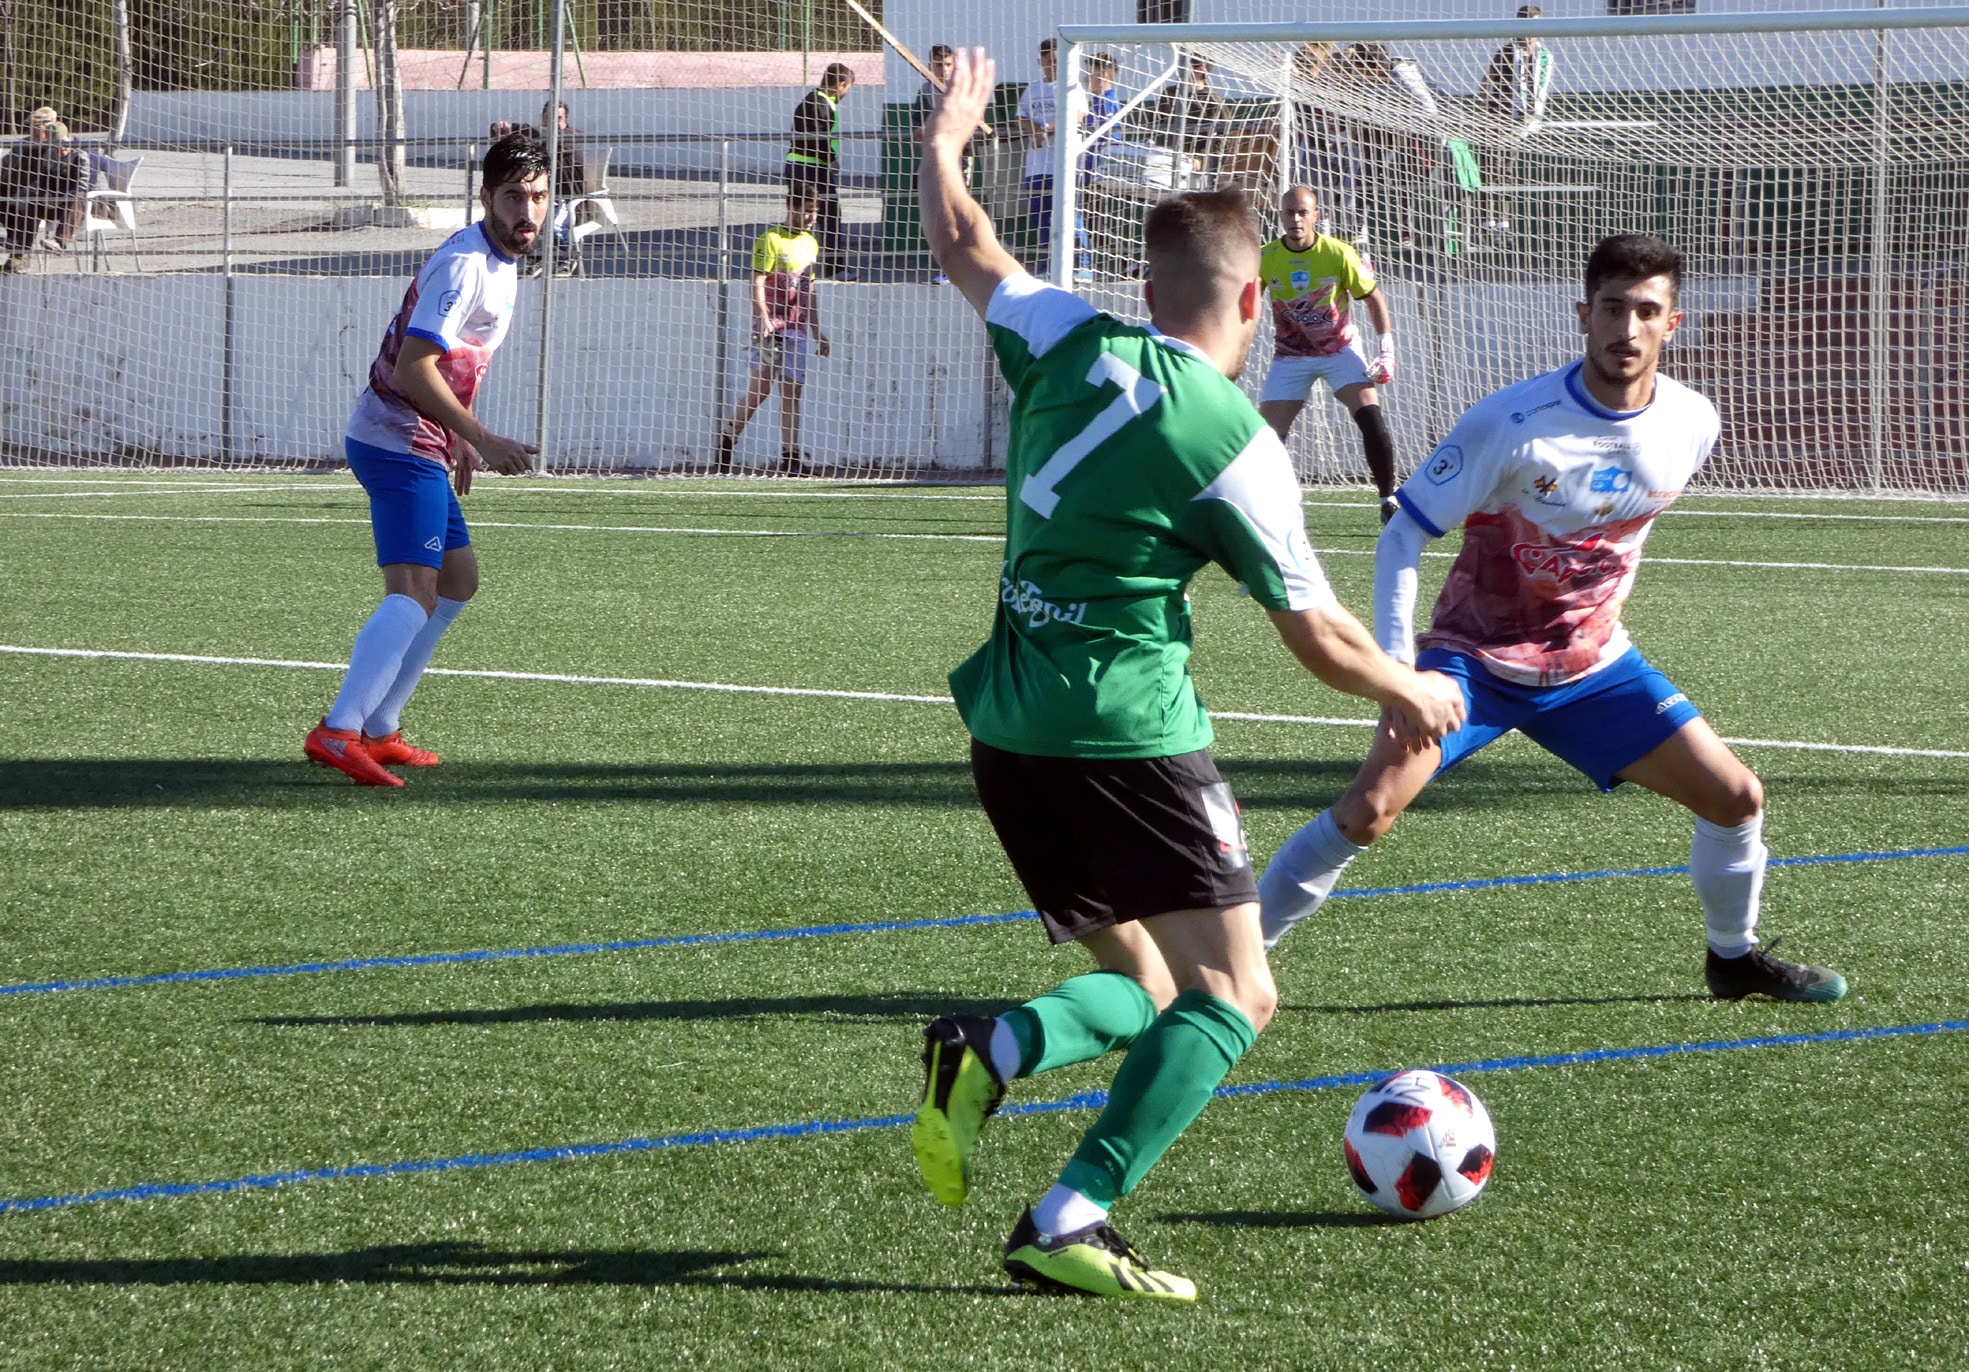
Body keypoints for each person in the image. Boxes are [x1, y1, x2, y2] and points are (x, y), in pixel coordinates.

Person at [908, 48, 1466, 1301]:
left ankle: (989, 1049)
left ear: (1146, 286)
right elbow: (1315, 632)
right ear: (1257, 301)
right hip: (1126, 738)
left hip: (1009, 728)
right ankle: (1070, 1211)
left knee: (1149, 989)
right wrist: (1408, 690)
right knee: (1234, 993)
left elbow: (963, 249)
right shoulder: (1233, 444)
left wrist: (948, 139)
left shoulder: (1064, 335)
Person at [1257, 232, 1848, 1007]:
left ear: (1672, 323)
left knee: (1735, 796)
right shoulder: (1511, 421)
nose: (1625, 329)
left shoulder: (1692, 422)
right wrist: (1399, 674)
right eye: (1611, 308)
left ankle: (1731, 960)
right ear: (1583, 314)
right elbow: (1404, 532)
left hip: (1591, 668)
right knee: (1367, 812)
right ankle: (1223, 967)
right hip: (1472, 665)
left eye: (1645, 311)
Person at [303, 131, 546, 787]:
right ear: (485, 198)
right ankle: (338, 729)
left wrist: (457, 435)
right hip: (394, 438)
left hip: (425, 438)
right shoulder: (466, 264)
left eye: (540, 197)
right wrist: (481, 435)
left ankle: (381, 728)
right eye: (514, 197)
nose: (529, 212)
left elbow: (447, 365)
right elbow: (414, 367)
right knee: (414, 591)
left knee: (457, 581)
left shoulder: (504, 261)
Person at [1257, 185, 1399, 521]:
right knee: (1266, 437)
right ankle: (1266, 506)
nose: (1296, 218)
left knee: (1370, 415)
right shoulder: (1264, 257)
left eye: (1303, 212)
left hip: (1340, 351)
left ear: (1316, 215)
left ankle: (1388, 500)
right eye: (1290, 212)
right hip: (1290, 356)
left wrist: (1386, 349)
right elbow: (1246, 303)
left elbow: (1373, 298)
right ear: (1280, 215)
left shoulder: (1339, 253)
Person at [715, 191, 831, 476]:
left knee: (792, 392)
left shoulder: (810, 243)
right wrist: (763, 317)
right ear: (791, 207)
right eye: (806, 210)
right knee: (761, 390)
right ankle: (728, 439)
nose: (811, 218)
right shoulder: (771, 239)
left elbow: (808, 288)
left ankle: (791, 460)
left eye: (815, 212)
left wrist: (817, 330)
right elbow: (756, 280)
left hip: (797, 327)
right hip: (771, 327)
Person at [913, 45, 991, 286]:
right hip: (934, 161)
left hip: (959, 159)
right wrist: (926, 132)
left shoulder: (961, 93)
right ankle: (945, 265)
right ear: (930, 66)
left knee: (958, 211)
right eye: (939, 65)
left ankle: (962, 266)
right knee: (937, 212)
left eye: (948, 65)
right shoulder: (925, 92)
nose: (944, 70)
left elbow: (977, 126)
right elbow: (917, 128)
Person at [1477, 5, 1555, 238]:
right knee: (1491, 170)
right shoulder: (1508, 52)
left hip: (1522, 122)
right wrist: (1483, 112)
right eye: (1530, 23)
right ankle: (1487, 222)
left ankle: (1504, 223)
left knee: (1506, 173)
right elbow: (1486, 82)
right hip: (1499, 118)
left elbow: (1540, 89)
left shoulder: (1544, 56)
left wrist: (1532, 115)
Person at [787, 62, 856, 280]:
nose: (845, 93)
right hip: (811, 167)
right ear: (841, 84)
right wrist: (831, 160)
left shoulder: (815, 100)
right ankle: (834, 269)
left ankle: (797, 268)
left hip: (802, 166)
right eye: (847, 89)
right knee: (828, 216)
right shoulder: (820, 103)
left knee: (805, 216)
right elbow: (819, 136)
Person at [0, 114, 86, 272]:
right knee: (23, 203)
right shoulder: (37, 149)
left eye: (38, 126)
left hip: (78, 203)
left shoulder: (81, 154)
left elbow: (84, 185)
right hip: (48, 199)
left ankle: (58, 241)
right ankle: (18, 253)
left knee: (77, 196)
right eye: (55, 145)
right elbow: (10, 170)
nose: (60, 149)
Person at [1075, 51, 1122, 281]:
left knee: (1093, 219)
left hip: (1097, 172)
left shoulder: (1108, 102)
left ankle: (1094, 264)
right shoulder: (1093, 102)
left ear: (1103, 75)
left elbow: (1113, 139)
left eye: (1090, 74)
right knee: (1089, 219)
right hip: (1086, 169)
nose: (1086, 80)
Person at [1015, 38, 1059, 268]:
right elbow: (1020, 117)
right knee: (1039, 218)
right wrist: (1036, 131)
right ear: (1040, 61)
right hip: (1036, 166)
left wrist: (1045, 129)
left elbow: (1078, 117)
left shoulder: (1072, 87)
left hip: (1063, 166)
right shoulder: (1032, 90)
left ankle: (1080, 264)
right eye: (1050, 61)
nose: (1054, 65)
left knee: (1068, 216)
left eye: (1058, 60)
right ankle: (1045, 264)